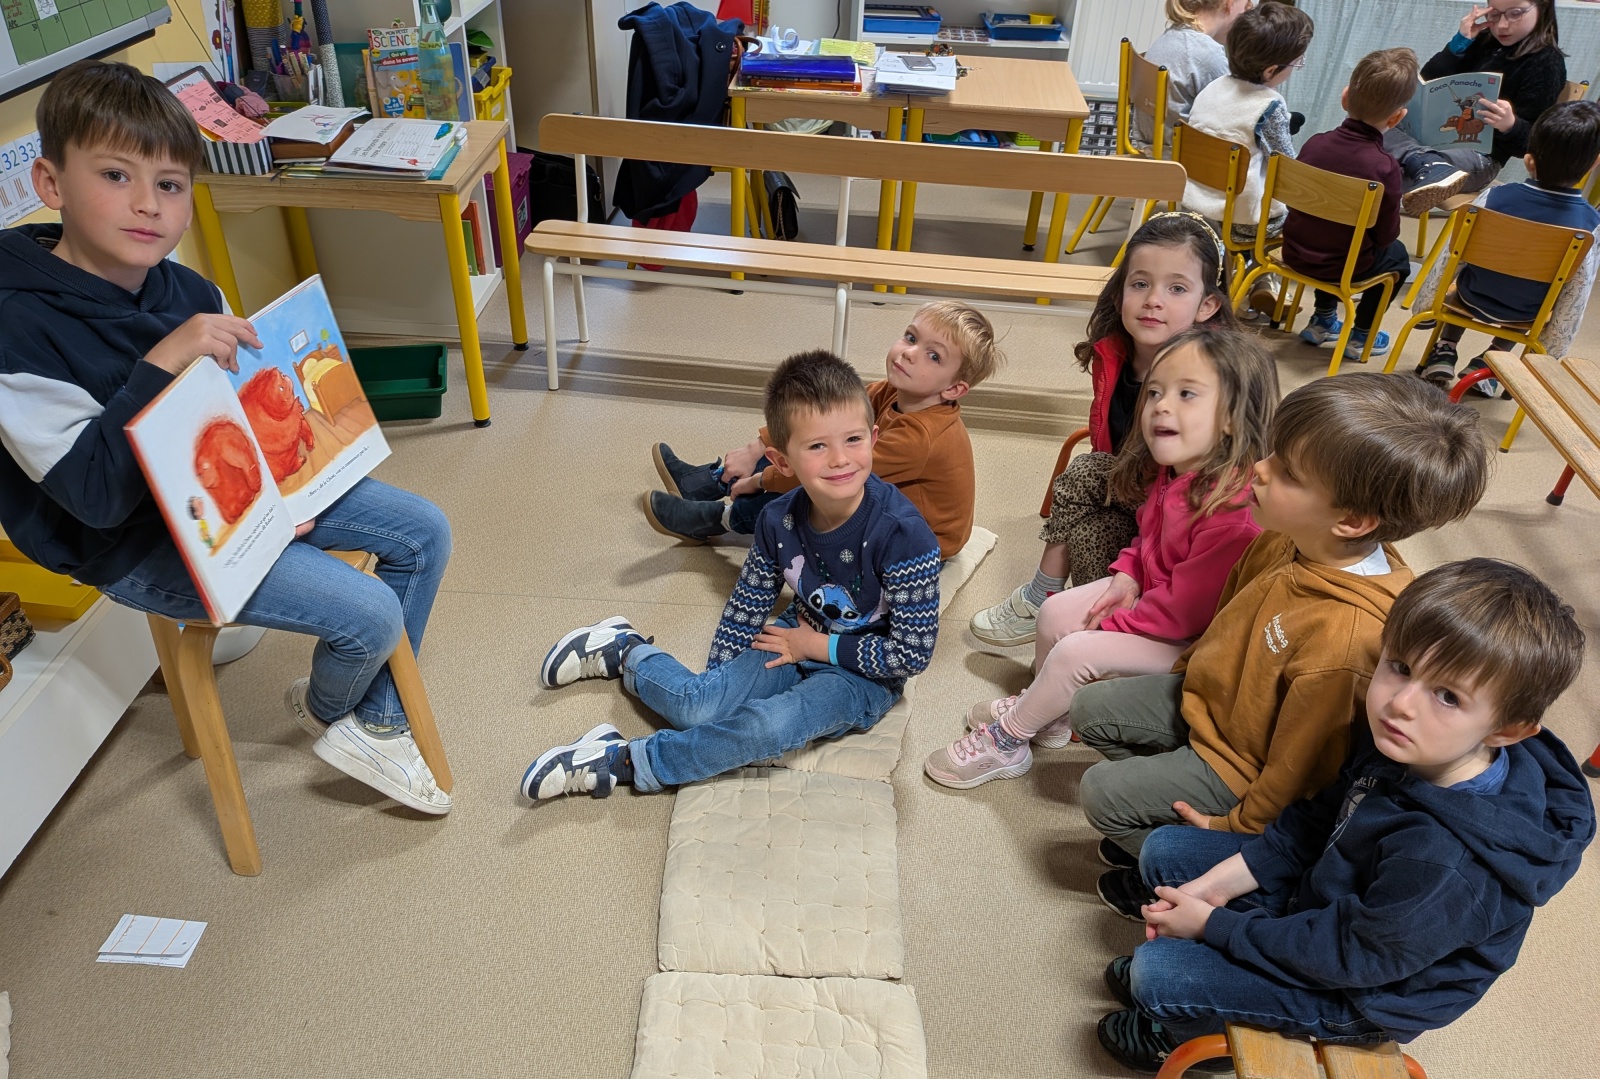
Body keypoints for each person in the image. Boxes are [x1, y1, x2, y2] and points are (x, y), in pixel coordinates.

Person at [0, 62, 455, 815]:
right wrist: (161, 363)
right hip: (124, 541)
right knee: (370, 613)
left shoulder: (185, 288)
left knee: (425, 531)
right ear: (51, 183)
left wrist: (276, 496)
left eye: (170, 184)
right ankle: (340, 712)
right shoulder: (17, 326)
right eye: (114, 176)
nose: (148, 205)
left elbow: (235, 413)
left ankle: (364, 723)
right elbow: (95, 498)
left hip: (221, 495)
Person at [1095, 559, 1593, 1072]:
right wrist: (1218, 887)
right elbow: (1320, 819)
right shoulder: (1410, 741)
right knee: (1166, 850)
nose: (1400, 703)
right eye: (1400, 667)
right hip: (1332, 902)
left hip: (1360, 990)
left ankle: (1186, 1032)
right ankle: (1210, 977)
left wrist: (1214, 927)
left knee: (1159, 974)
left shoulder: (1448, 864)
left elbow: (1348, 956)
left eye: (1447, 696)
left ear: (1506, 730)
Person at [1075, 373, 1492, 913]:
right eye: (1273, 451)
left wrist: (1232, 828)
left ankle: (1181, 867)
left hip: (1242, 768)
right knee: (1089, 708)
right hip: (1212, 703)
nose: (1259, 468)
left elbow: (1299, 772)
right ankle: (1165, 831)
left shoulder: (1346, 642)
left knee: (1100, 794)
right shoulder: (1282, 536)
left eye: (1289, 472)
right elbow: (1226, 620)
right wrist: (1187, 672)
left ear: (1352, 521)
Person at [522, 351, 941, 800]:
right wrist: (718, 690)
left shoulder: (906, 537)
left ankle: (627, 761)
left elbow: (912, 655)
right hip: (794, 634)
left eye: (853, 439)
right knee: (698, 709)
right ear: (782, 461)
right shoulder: (777, 520)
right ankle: (625, 650)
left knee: (769, 727)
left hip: (862, 676)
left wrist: (816, 646)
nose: (840, 459)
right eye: (817, 446)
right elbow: (747, 605)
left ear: (873, 439)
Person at [925, 327, 1274, 789]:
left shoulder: (1234, 514)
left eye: (1187, 394)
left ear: (1232, 417)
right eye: (1155, 392)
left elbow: (1184, 615)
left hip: (1195, 643)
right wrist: (1128, 574)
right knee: (1053, 611)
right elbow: (1148, 537)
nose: (1161, 406)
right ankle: (1049, 713)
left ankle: (1008, 739)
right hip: (1158, 606)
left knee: (1076, 651)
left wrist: (1112, 625)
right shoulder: (1178, 470)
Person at [970, 213, 1240, 647]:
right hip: (1139, 502)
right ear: (1119, 293)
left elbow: (1205, 489)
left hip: (1183, 522)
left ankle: (1055, 605)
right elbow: (1109, 441)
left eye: (1177, 288)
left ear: (1207, 305)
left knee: (1086, 475)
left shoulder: (1215, 373)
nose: (1153, 300)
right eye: (1140, 283)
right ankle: (1078, 619)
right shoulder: (1113, 350)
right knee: (1087, 526)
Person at [646, 300, 998, 560]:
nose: (909, 353)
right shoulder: (894, 390)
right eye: (910, 337)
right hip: (886, 494)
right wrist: (757, 447)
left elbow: (827, 471)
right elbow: (821, 417)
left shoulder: (920, 439)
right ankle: (708, 482)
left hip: (919, 539)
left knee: (805, 487)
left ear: (954, 389)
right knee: (803, 446)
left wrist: (759, 481)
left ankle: (715, 520)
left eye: (933, 356)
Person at [1416, 100, 1600, 396]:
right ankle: (1491, 363)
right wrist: (1553, 347)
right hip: (1526, 312)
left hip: (1472, 295)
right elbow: (1577, 291)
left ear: (1529, 161)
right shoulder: (1590, 225)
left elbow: (1452, 256)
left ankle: (1445, 349)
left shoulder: (1493, 197)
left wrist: (1425, 303)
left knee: (1468, 274)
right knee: (1542, 292)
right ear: (1594, 163)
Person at [1182, 0, 1315, 317]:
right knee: (1299, 218)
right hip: (1239, 222)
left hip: (1196, 204)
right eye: (1295, 63)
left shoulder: (1212, 87)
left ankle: (1256, 282)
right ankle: (1260, 280)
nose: (1295, 68)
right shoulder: (1270, 105)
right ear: (1271, 70)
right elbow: (1286, 166)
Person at [1291, 48, 1418, 364]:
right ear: (1397, 118)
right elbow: (1386, 235)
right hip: (1344, 266)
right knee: (1397, 258)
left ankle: (1322, 319)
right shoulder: (1384, 167)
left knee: (1329, 233)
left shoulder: (1314, 143)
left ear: (1345, 97)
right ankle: (1362, 335)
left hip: (1295, 251)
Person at [1393, 0, 1568, 218]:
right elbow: (1428, 81)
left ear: (1543, 7)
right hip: (1432, 141)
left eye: (1515, 14)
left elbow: (1533, 144)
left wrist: (1511, 126)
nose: (1502, 25)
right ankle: (1418, 163)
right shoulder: (1483, 40)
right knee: (1378, 126)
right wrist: (1459, 43)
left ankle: (1412, 169)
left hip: (1480, 158)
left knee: (1385, 161)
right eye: (1493, 14)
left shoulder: (1546, 63)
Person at [1134, 0, 1257, 151]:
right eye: (1245, 7)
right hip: (1183, 155)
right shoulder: (1207, 52)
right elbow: (1236, 115)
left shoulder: (1168, 38)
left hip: (1152, 148)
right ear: (1229, 3)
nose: (1245, 15)